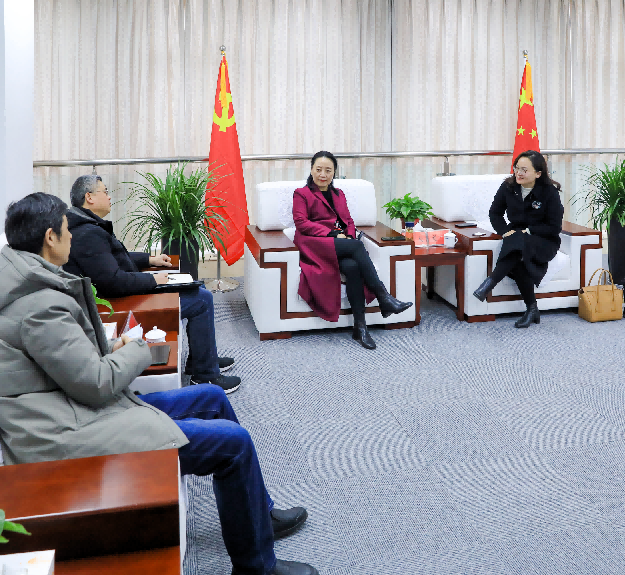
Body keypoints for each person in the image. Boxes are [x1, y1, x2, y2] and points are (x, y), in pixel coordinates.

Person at [0, 193, 316, 575]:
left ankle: (258, 515)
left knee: (212, 396)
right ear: (50, 238)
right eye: (66, 230)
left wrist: (109, 349)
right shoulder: (39, 307)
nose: (71, 238)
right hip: (70, 432)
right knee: (234, 443)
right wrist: (137, 349)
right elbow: (96, 384)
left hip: (78, 409)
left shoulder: (29, 288)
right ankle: (256, 567)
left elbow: (68, 365)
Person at [63, 175, 240, 393]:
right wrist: (153, 279)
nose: (109, 197)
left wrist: (150, 259)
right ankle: (205, 376)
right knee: (201, 300)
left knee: (197, 287)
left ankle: (202, 360)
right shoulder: (87, 234)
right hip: (118, 303)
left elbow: (114, 258)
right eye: (105, 192)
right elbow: (113, 282)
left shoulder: (86, 225)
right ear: (89, 197)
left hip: (123, 291)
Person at [292, 151, 412, 349]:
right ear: (311, 170)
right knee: (357, 245)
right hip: (315, 245)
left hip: (339, 244)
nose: (323, 174)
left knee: (353, 267)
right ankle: (384, 297)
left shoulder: (339, 194)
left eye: (328, 170)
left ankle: (360, 327)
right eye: (319, 169)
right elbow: (301, 223)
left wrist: (348, 235)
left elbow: (348, 220)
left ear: (334, 172)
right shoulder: (301, 193)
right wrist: (333, 234)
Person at [472, 150, 565, 328]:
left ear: (538, 173)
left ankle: (491, 281)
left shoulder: (549, 193)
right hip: (516, 238)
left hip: (544, 240)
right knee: (518, 254)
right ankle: (532, 309)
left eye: (524, 170)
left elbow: (554, 227)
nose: (518, 173)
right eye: (516, 168)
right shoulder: (508, 186)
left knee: (518, 242)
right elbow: (495, 213)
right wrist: (504, 231)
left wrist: (528, 231)